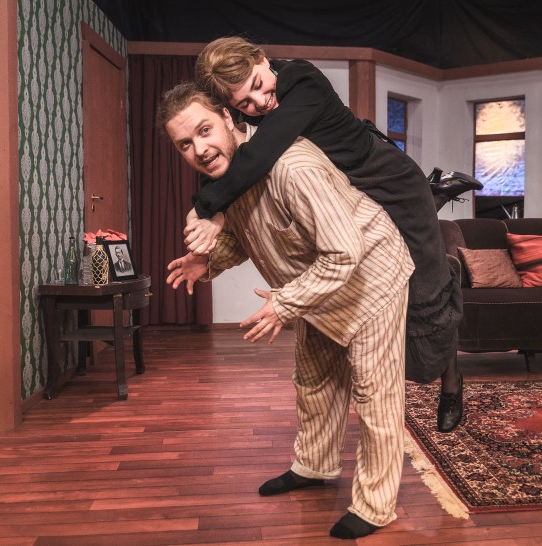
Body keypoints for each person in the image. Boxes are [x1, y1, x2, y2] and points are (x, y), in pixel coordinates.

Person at [160, 82, 413, 539]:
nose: (200, 149)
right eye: (185, 144)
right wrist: (208, 261)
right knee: (315, 380)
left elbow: (345, 252)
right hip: (317, 282)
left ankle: (376, 506)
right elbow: (249, 234)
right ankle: (314, 466)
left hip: (371, 277)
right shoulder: (228, 180)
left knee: (375, 396)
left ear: (227, 117)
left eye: (204, 130)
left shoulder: (292, 167)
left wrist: (284, 303)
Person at [187, 36, 464, 433]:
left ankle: (452, 382)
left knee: (426, 296)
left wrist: (205, 209)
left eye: (259, 86)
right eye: (244, 103)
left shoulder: (303, 80)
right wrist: (213, 213)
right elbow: (237, 158)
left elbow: (259, 154)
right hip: (351, 198)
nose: (260, 103)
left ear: (262, 58)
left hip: (393, 186)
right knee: (389, 298)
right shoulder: (255, 101)